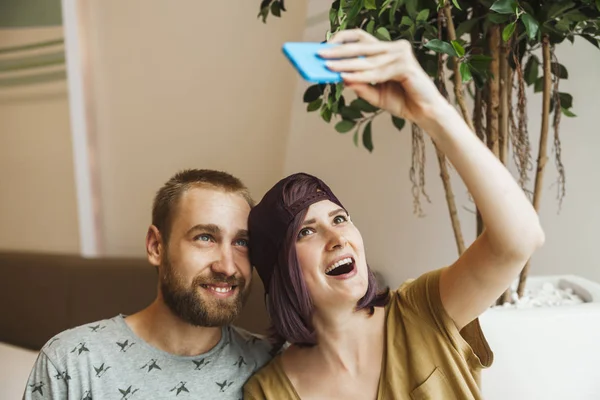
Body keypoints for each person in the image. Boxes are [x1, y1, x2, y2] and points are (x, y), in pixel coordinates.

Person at [243, 29, 545, 399]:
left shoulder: (421, 311)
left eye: (339, 218)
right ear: (278, 271)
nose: (337, 237)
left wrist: (431, 111)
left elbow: (519, 241)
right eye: (306, 231)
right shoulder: (270, 392)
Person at [24, 169, 273, 400]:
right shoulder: (71, 361)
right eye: (205, 237)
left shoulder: (271, 364)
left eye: (241, 242)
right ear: (156, 246)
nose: (228, 267)